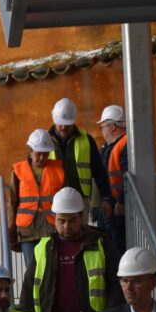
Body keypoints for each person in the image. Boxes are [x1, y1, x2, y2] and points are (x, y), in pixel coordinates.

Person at [48, 97, 113, 231]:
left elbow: (99, 171)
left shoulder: (86, 140)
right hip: (51, 201)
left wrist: (106, 198)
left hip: (80, 200)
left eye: (67, 124)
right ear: (54, 119)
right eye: (60, 123)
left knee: (79, 238)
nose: (63, 128)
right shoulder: (45, 140)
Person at [9, 129, 65, 269]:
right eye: (38, 154)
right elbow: (12, 203)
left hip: (51, 229)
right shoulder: (18, 171)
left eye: (45, 154)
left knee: (52, 269)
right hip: (27, 231)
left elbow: (65, 201)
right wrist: (11, 233)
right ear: (30, 150)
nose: (42, 158)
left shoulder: (58, 169)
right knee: (32, 271)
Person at [97, 105, 129, 253]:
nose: (101, 130)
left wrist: (121, 201)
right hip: (107, 207)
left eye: (102, 126)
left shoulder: (125, 145)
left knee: (116, 249)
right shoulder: (108, 147)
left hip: (117, 209)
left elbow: (127, 176)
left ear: (111, 126)